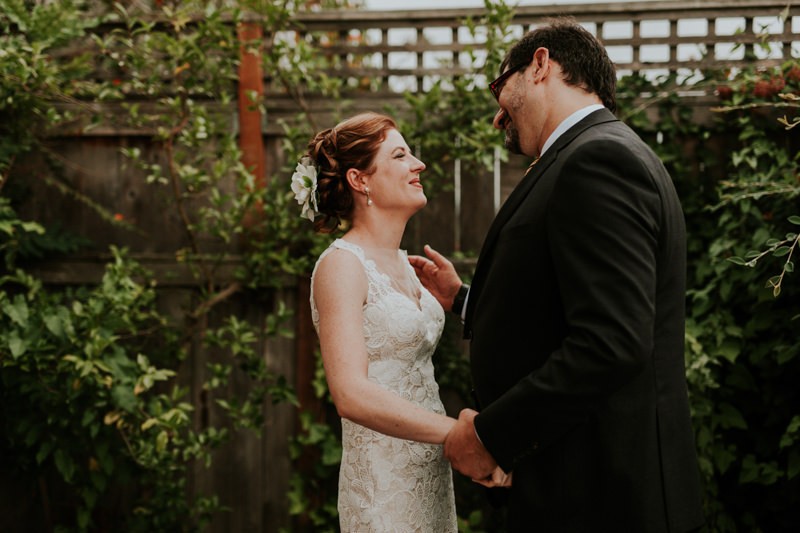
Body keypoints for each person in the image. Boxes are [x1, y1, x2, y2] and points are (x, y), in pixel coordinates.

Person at [409, 18, 706, 532]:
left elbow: (611, 341)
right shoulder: (586, 156)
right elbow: (562, 307)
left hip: (603, 496)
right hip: (581, 485)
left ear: (541, 65)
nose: (497, 117)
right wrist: (464, 299)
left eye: (498, 87)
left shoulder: (599, 160)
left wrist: (490, 437)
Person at [300, 112, 460, 532]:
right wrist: (457, 433)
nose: (418, 164)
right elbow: (350, 393)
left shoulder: (409, 268)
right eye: (400, 155)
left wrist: (454, 300)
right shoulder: (341, 266)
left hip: (429, 476)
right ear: (360, 180)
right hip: (383, 487)